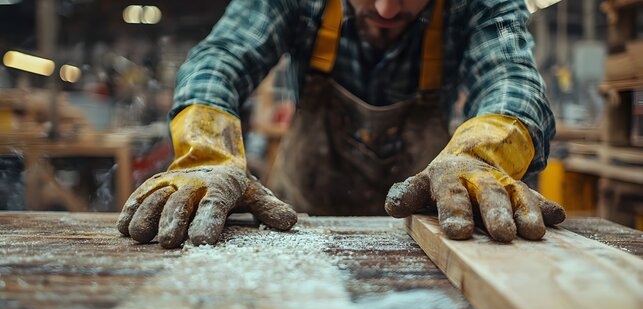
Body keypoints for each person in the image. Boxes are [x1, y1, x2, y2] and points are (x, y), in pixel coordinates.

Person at [117, 0, 566, 248]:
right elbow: (221, 58)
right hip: (295, 233)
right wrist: (207, 154)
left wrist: (478, 155)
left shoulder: (480, 5)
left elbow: (513, 79)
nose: (387, 9)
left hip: (428, 237)